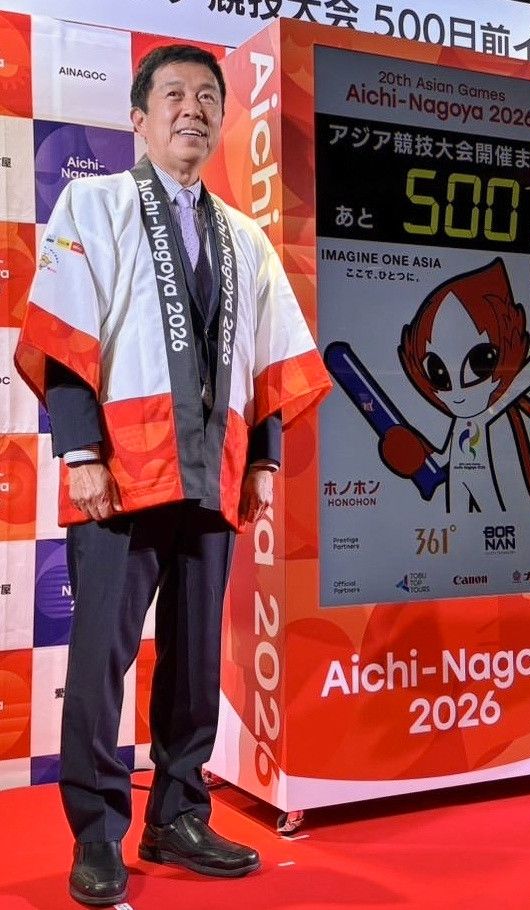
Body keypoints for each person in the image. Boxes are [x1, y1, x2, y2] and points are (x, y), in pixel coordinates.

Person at [15, 45, 330, 906]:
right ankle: (96, 833)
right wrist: (79, 452)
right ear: (138, 117)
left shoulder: (245, 236)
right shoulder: (96, 202)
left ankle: (179, 812)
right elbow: (66, 337)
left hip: (212, 473)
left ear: (221, 118)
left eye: (206, 98)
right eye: (174, 96)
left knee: (195, 661)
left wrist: (262, 457)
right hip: (119, 471)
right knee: (99, 661)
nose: (192, 109)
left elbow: (269, 359)